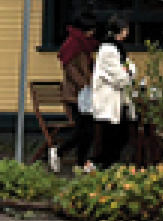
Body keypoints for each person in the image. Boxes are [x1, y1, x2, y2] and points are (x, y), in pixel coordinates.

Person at [51, 12, 99, 173]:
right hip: (75, 96)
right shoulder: (73, 45)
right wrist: (87, 85)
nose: (94, 32)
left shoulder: (84, 44)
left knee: (87, 130)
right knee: (84, 130)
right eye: (92, 29)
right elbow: (71, 70)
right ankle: (60, 152)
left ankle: (80, 162)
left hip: (83, 94)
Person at [87, 17, 136, 170]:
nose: (127, 32)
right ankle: (98, 166)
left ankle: (104, 166)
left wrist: (128, 71)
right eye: (125, 29)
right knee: (111, 136)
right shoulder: (108, 50)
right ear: (119, 31)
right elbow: (120, 77)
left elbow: (130, 69)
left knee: (119, 135)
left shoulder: (117, 48)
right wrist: (128, 72)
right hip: (108, 100)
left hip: (117, 99)